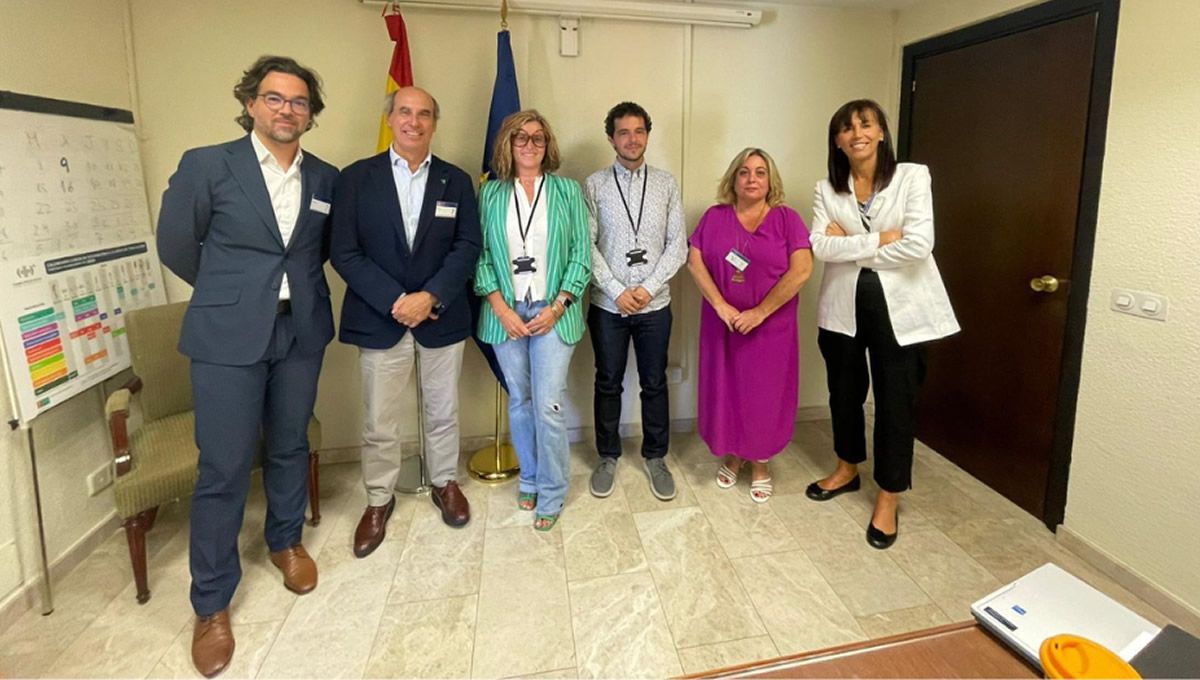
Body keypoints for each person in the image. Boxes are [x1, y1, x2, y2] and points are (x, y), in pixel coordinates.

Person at [156, 55, 338, 677]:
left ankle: (285, 541)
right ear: (252, 103)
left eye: (299, 101)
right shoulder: (208, 164)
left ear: (311, 114)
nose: (287, 109)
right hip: (227, 337)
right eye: (275, 98)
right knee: (224, 466)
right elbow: (177, 244)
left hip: (301, 331)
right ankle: (211, 604)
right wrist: (234, 294)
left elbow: (321, 249)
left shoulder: (327, 177)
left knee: (289, 444)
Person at [330, 87, 482, 555]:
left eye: (424, 114)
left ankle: (444, 483)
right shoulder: (355, 178)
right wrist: (397, 300)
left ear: (434, 123)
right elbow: (344, 251)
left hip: (441, 315)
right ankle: (378, 500)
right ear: (390, 119)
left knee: (443, 410)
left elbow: (467, 246)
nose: (413, 122)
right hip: (382, 317)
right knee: (380, 419)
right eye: (405, 113)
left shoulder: (455, 181)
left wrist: (430, 296)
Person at [805, 99, 959, 549]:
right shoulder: (827, 188)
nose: (857, 133)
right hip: (842, 310)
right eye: (847, 128)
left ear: (881, 132)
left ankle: (889, 494)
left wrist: (853, 243)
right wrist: (881, 239)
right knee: (845, 395)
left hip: (901, 313)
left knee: (895, 403)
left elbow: (919, 245)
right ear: (837, 140)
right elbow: (819, 247)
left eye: (865, 125)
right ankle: (848, 468)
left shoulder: (913, 176)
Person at [474, 110, 590, 531]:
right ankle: (530, 478)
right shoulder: (490, 194)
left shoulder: (566, 191)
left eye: (538, 138)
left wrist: (559, 304)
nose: (529, 144)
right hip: (505, 313)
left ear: (548, 145)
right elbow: (480, 255)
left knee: (549, 404)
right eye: (521, 137)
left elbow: (581, 253)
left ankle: (553, 491)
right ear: (507, 143)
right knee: (520, 402)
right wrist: (502, 309)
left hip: (553, 312)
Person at [687, 148, 813, 503]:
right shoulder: (714, 217)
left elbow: (801, 270)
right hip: (722, 325)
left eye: (760, 172)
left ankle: (760, 463)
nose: (752, 179)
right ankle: (734, 453)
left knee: (764, 396)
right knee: (727, 392)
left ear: (770, 180)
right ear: (733, 179)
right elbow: (695, 261)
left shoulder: (788, 220)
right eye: (744, 172)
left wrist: (761, 312)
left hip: (771, 328)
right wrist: (721, 305)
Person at [584, 102, 687, 501]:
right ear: (611, 138)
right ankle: (607, 455)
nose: (632, 139)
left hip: (655, 305)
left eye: (639, 131)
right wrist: (616, 289)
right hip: (609, 306)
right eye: (623, 132)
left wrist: (646, 288)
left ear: (647, 134)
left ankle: (656, 456)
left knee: (654, 382)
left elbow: (677, 244)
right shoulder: (593, 185)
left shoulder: (666, 184)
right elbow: (586, 245)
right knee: (607, 382)